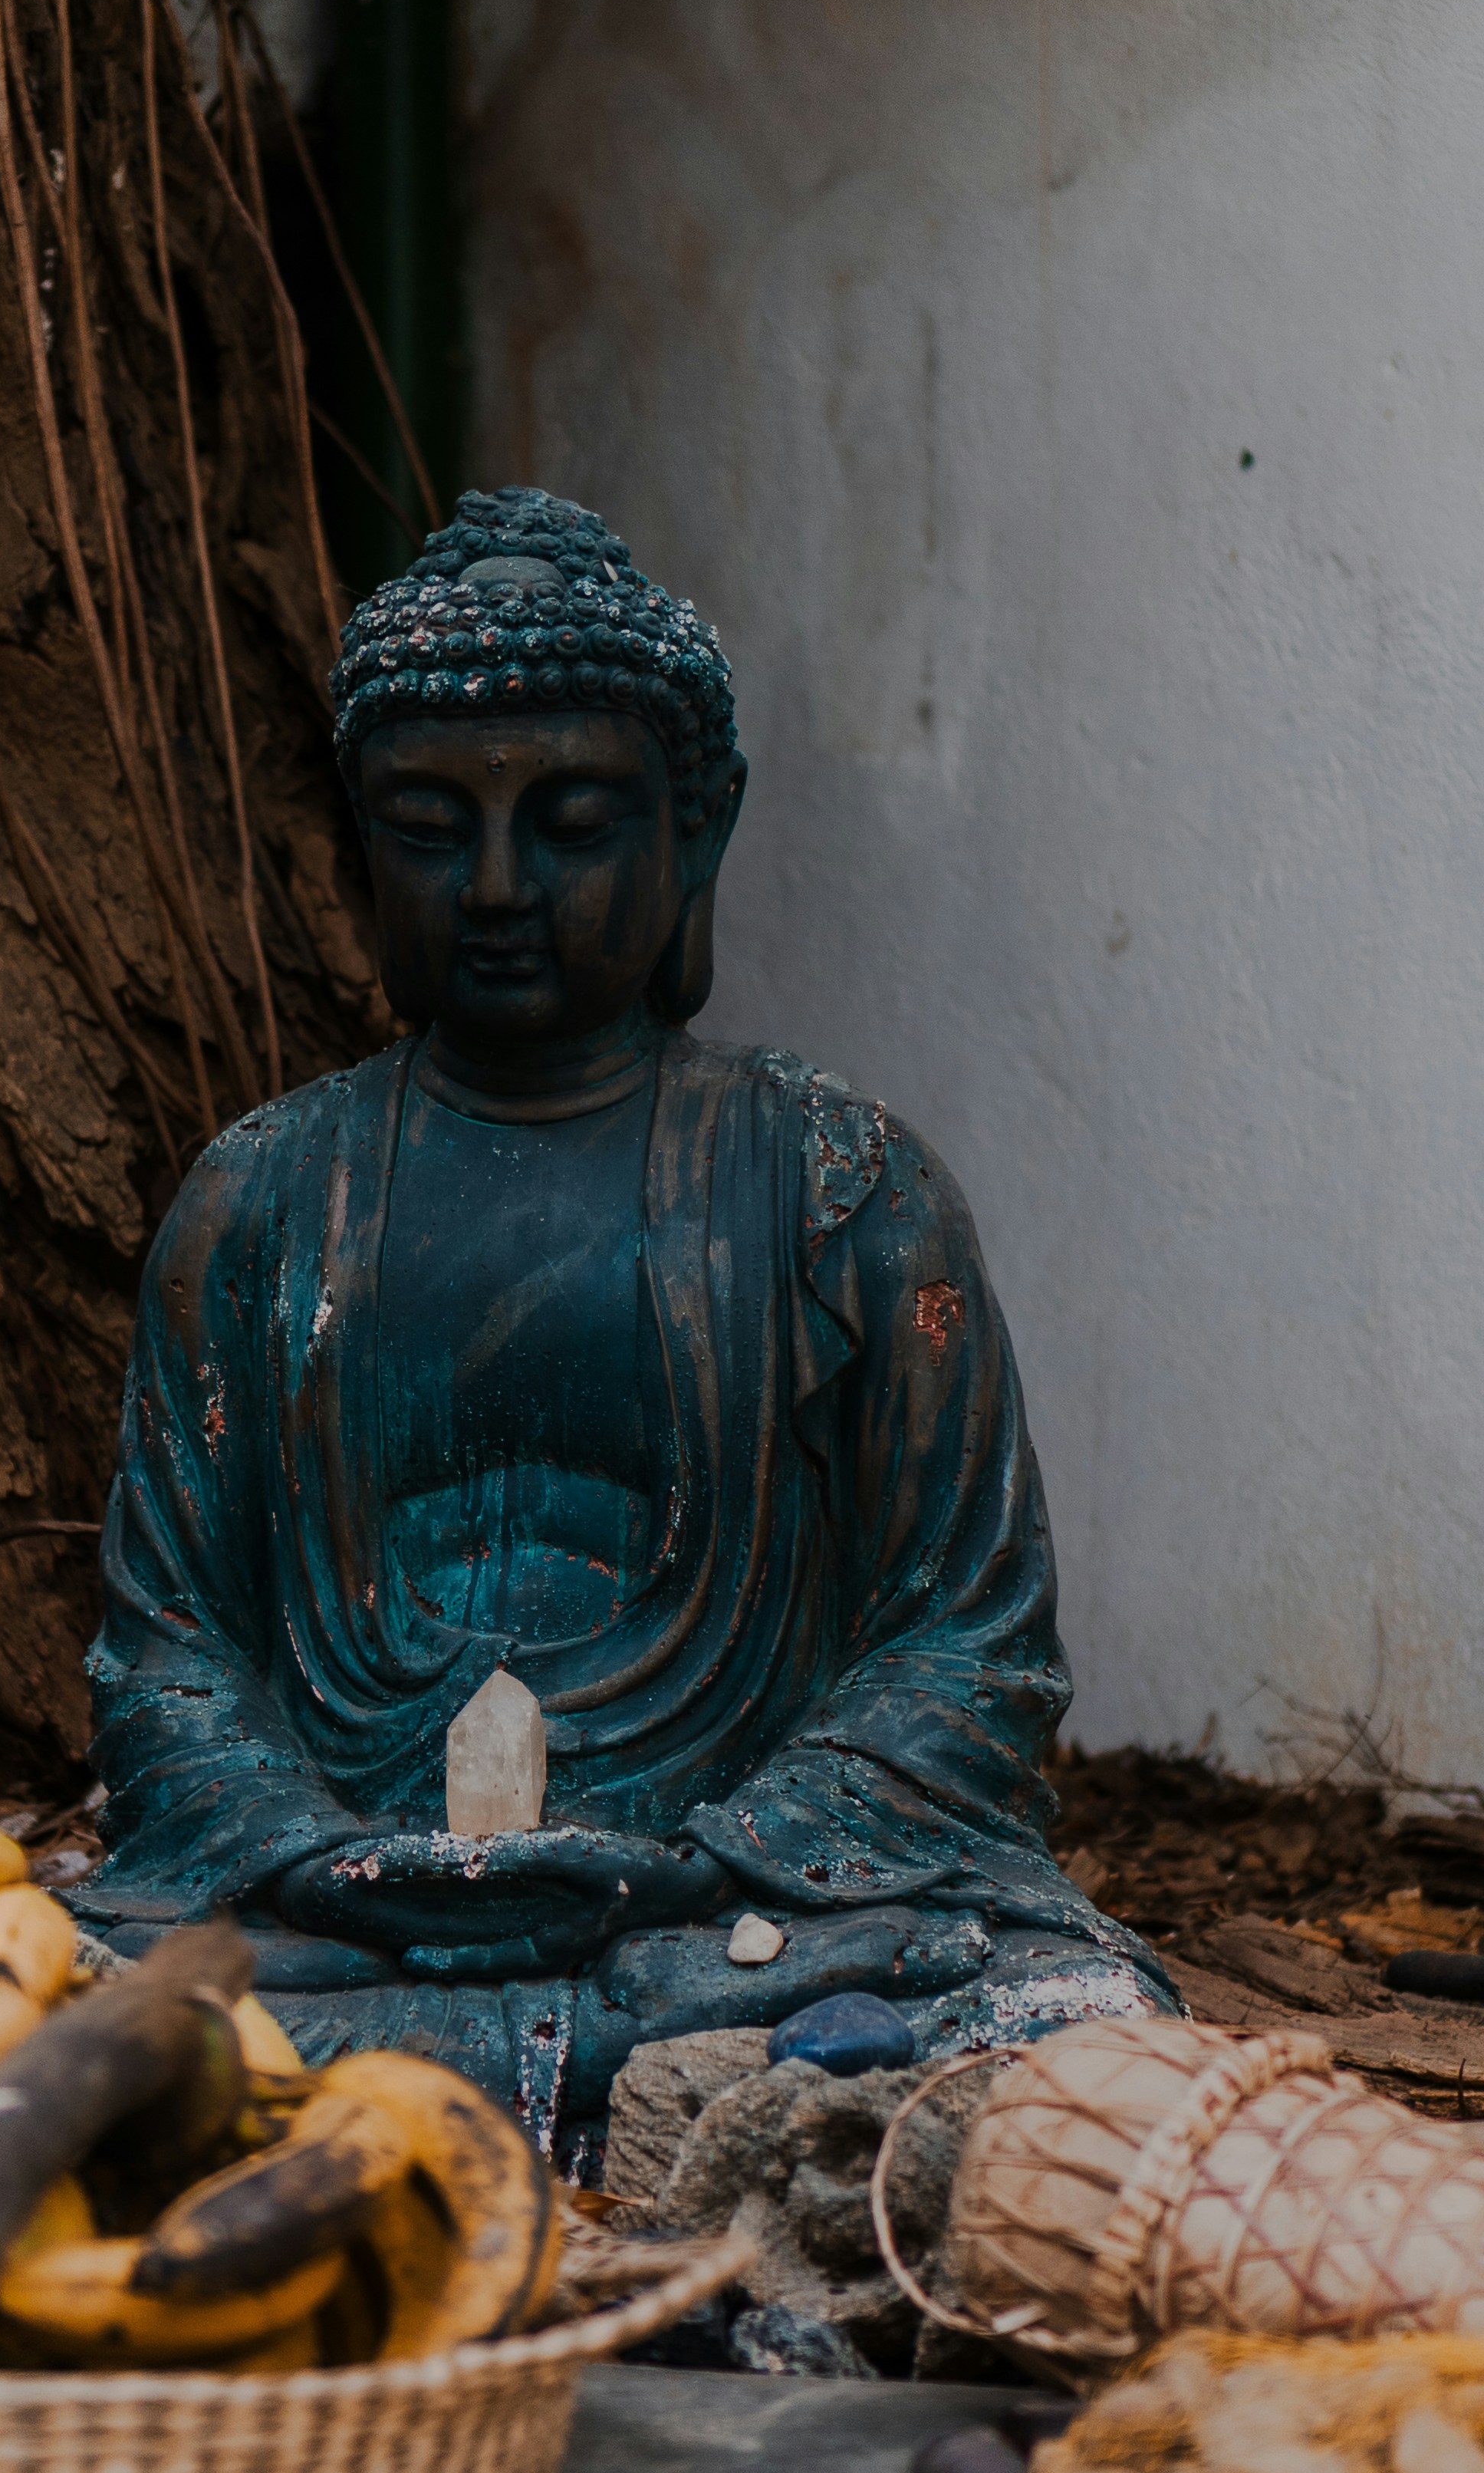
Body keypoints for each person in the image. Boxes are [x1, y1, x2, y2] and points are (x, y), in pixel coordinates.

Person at [70, 487, 1175, 2157]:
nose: (499, 884)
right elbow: (164, 1656)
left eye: (574, 822)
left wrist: (717, 1852)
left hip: (731, 1920)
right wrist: (309, 1850)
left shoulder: (837, 1186)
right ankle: (606, 2121)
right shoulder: (259, 1201)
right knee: (38, 1985)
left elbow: (974, 1647)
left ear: (697, 836)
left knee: (1043, 2006)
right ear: (360, 840)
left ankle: (415, 2120)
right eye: (431, 827)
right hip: (339, 1927)